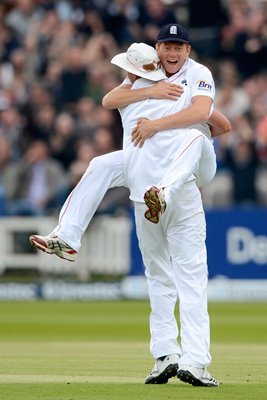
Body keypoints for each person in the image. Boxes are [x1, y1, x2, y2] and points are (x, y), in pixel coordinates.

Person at [30, 31, 230, 388]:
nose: (171, 52)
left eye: (177, 47)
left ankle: (73, 233)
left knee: (193, 139)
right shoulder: (145, 87)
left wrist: (158, 124)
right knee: (174, 278)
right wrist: (159, 99)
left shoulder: (182, 80)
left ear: (186, 50)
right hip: (149, 189)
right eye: (166, 47)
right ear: (156, 55)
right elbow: (218, 121)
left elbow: (207, 118)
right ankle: (178, 358)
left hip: (183, 178)